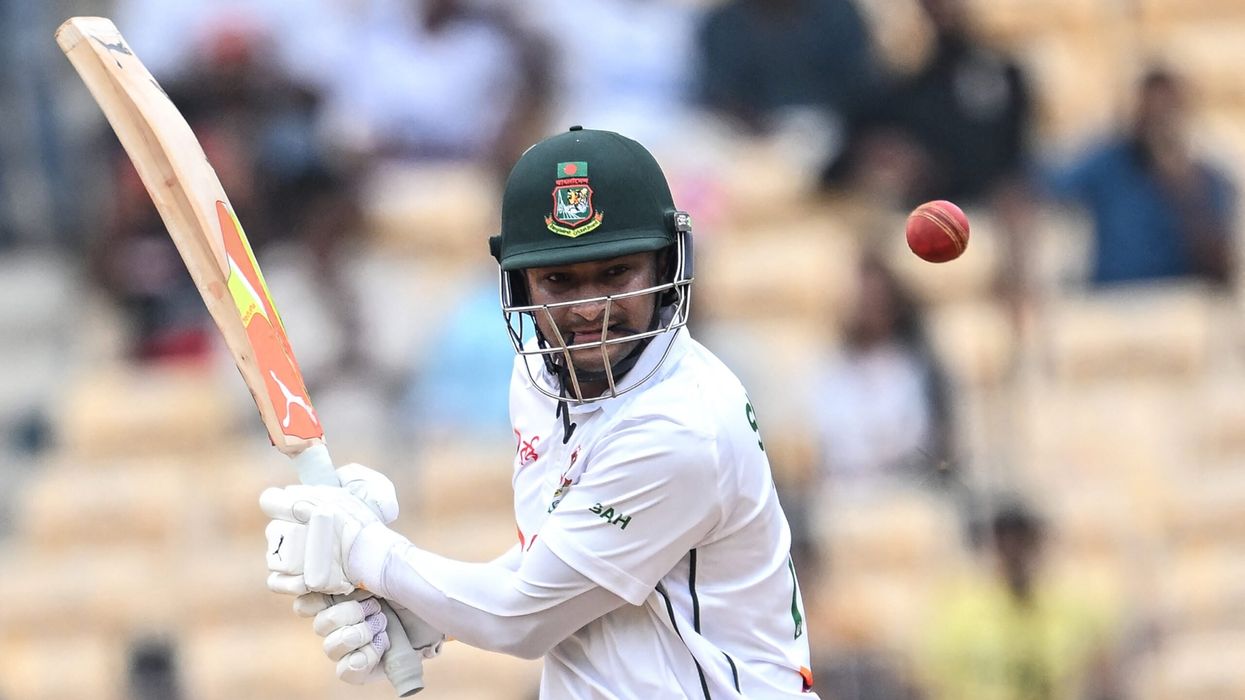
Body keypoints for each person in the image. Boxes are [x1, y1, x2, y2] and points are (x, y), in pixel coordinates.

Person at [261, 127, 819, 698]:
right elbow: (553, 562)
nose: (589, 310)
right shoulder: (538, 379)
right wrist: (429, 609)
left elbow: (521, 619)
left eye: (615, 272)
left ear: (664, 267)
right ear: (521, 286)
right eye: (559, 280)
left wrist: (367, 553)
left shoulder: (681, 427)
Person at [1044, 68, 1237, 287]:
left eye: (1167, 111)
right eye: (1151, 111)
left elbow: (1222, 269)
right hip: (1114, 296)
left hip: (1176, 297)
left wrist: (1183, 189)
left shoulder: (1209, 180)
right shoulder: (1107, 164)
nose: (1159, 121)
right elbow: (1046, 187)